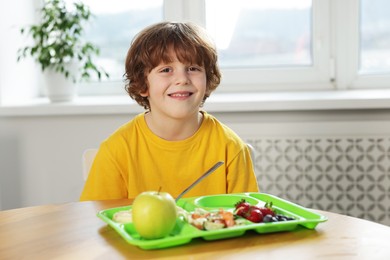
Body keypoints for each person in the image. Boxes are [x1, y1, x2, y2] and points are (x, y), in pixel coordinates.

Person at [80, 21, 259, 201]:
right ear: (143, 84)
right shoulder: (117, 151)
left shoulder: (231, 148)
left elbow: (248, 220)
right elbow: (95, 221)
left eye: (193, 68)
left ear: (208, 80)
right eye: (166, 70)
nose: (182, 79)